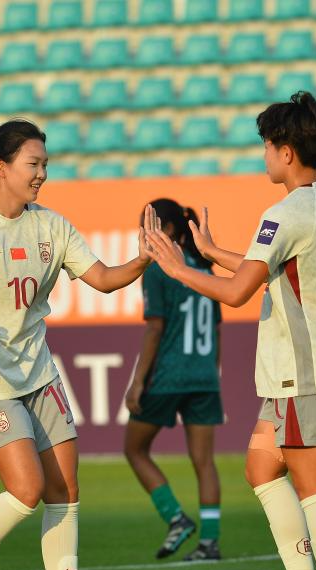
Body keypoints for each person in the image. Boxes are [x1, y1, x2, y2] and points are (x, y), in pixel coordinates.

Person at [145, 91, 316, 570]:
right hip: (306, 368)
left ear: (287, 152)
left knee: (315, 490)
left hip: (308, 372)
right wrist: (211, 251)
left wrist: (179, 269)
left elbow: (238, 291)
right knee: (261, 468)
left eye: (267, 145)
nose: (264, 154)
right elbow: (270, 269)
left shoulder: (284, 213)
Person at [0, 119, 158, 570]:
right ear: (1, 167)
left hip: (39, 374)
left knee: (65, 490)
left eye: (45, 165)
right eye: (33, 164)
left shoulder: (52, 225)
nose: (41, 174)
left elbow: (103, 279)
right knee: (26, 490)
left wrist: (143, 258)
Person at [123, 199, 223, 562]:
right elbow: (216, 331)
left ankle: (176, 517)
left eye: (148, 224)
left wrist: (138, 381)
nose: (143, 233)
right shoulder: (206, 270)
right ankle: (209, 543)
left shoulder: (158, 269)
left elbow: (154, 330)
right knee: (204, 462)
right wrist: (211, 371)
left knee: (135, 449)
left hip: (168, 375)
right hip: (204, 377)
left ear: (166, 229)